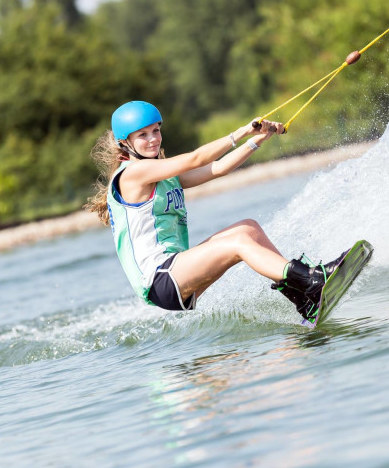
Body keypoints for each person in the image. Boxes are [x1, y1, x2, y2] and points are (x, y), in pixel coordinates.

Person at [85, 100, 347, 321]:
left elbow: (217, 169)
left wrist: (258, 140)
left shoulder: (160, 173)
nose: (153, 139)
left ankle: (304, 298)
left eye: (156, 131)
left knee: (248, 227)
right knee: (238, 243)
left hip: (176, 271)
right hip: (160, 279)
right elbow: (195, 158)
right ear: (125, 143)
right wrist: (241, 132)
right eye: (143, 135)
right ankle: (311, 281)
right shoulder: (134, 173)